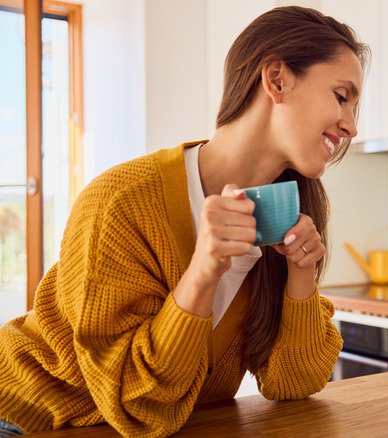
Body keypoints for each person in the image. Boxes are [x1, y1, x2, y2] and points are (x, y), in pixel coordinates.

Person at [0, 6, 368, 437]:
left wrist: (300, 275)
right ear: (277, 80)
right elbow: (138, 404)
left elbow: (294, 384)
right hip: (31, 417)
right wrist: (202, 271)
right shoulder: (121, 201)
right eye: (342, 97)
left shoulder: (289, 210)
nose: (352, 127)